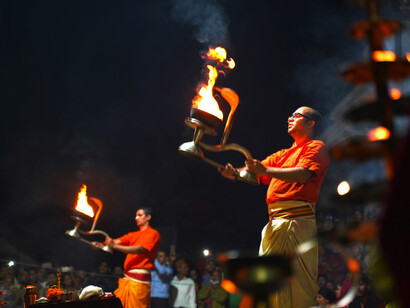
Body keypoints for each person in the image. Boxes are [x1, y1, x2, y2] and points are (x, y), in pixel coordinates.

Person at [219, 106, 330, 308]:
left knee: (296, 284)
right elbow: (256, 173)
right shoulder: (283, 154)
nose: (290, 118)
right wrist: (235, 172)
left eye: (296, 116)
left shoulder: (317, 147)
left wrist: (266, 170)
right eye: (290, 115)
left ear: (310, 123)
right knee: (268, 282)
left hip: (296, 223)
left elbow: (303, 174)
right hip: (275, 223)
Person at [92, 207, 161, 308]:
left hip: (139, 282)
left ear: (148, 217)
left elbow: (138, 249)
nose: (136, 218)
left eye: (140, 215)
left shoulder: (153, 234)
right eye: (136, 215)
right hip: (127, 278)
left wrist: (114, 246)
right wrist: (101, 244)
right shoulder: (134, 235)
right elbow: (115, 241)